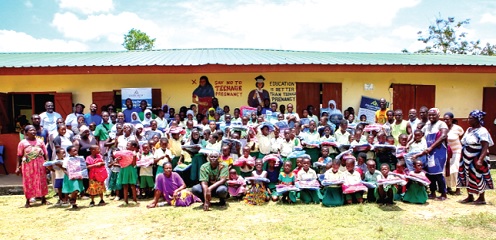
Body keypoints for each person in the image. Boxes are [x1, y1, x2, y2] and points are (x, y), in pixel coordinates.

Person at [458, 110, 494, 205]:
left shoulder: (482, 131)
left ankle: (481, 197)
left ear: (477, 120)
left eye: (471, 118)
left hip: (476, 157)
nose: (468, 120)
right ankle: (470, 196)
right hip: (466, 158)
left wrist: (480, 160)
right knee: (467, 175)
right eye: (468, 118)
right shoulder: (469, 129)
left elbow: (485, 146)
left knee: (478, 175)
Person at [416, 108, 448, 201]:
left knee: (438, 173)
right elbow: (420, 134)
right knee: (430, 173)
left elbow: (443, 136)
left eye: (433, 115)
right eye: (429, 115)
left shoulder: (441, 124)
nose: (431, 117)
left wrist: (431, 147)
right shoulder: (427, 125)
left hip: (439, 151)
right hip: (429, 152)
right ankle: (432, 192)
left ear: (438, 115)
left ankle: (443, 193)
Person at [16, 125, 50, 208]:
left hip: (40, 164)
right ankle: (28, 200)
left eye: (34, 130)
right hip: (28, 165)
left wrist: (48, 164)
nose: (33, 131)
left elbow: (45, 153)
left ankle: (43, 198)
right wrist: (17, 167)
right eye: (31, 130)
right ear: (26, 133)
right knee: (28, 182)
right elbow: (19, 155)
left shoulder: (40, 141)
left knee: (41, 180)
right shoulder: (22, 143)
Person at [443, 112, 464, 195]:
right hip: (446, 152)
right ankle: (448, 187)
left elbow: (461, 138)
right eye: (444, 119)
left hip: (456, 151)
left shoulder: (458, 128)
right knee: (446, 170)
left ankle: (458, 188)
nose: (445, 121)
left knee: (455, 170)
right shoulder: (442, 128)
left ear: (451, 119)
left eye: (447, 119)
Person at [114, 141, 139, 205]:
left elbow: (133, 164)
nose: (127, 146)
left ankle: (134, 199)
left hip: (130, 169)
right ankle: (125, 201)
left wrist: (133, 157)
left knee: (132, 185)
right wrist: (118, 159)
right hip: (123, 169)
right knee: (125, 185)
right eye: (127, 144)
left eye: (128, 145)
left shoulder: (134, 153)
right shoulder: (123, 153)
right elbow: (118, 160)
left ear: (133, 147)